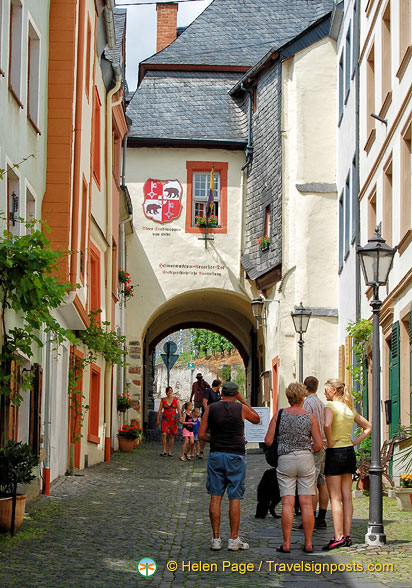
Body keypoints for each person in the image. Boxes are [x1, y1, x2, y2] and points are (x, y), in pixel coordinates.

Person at [199, 381, 260, 551]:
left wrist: (215, 439)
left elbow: (201, 435)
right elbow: (257, 419)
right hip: (236, 455)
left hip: (216, 454)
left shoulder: (211, 409)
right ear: (236, 394)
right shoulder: (241, 408)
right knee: (234, 497)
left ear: (221, 393)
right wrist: (243, 401)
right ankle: (234, 539)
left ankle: (216, 539)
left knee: (215, 496)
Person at [264, 382, 323, 554]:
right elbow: (318, 444)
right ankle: (309, 543)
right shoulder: (309, 416)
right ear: (303, 397)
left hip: (285, 459)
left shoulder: (280, 415)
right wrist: (306, 448)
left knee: (287, 503)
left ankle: (287, 543)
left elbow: (268, 440)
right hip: (305, 458)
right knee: (306, 503)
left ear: (288, 397)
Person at [322, 378, 371, 550]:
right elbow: (368, 427)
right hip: (349, 452)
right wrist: (355, 441)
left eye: (326, 390)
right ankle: (347, 535)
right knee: (347, 496)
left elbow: (327, 424)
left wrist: (329, 441)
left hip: (335, 453)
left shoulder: (330, 407)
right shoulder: (349, 408)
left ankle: (338, 536)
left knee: (335, 498)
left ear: (334, 391)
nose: (324, 393)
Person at [303, 376, 329, 529]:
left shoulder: (307, 403)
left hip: (313, 447)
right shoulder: (321, 403)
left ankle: (311, 518)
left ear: (305, 388)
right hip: (324, 446)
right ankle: (322, 518)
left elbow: (306, 424)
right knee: (322, 482)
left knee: (311, 484)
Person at [199, 379, 222, 459]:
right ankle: (201, 451)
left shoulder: (218, 393)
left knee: (214, 432)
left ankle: (214, 449)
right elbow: (204, 402)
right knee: (203, 432)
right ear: (218, 385)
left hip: (215, 415)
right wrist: (207, 412)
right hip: (208, 415)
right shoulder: (208, 391)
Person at [156, 386, 180, 457]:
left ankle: (169, 451)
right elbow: (160, 410)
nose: (170, 392)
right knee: (164, 434)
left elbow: (178, 409)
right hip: (165, 419)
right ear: (166, 392)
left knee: (171, 435)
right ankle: (164, 450)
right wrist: (158, 419)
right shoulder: (163, 400)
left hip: (173, 419)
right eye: (168, 391)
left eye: (171, 390)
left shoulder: (176, 399)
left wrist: (181, 417)